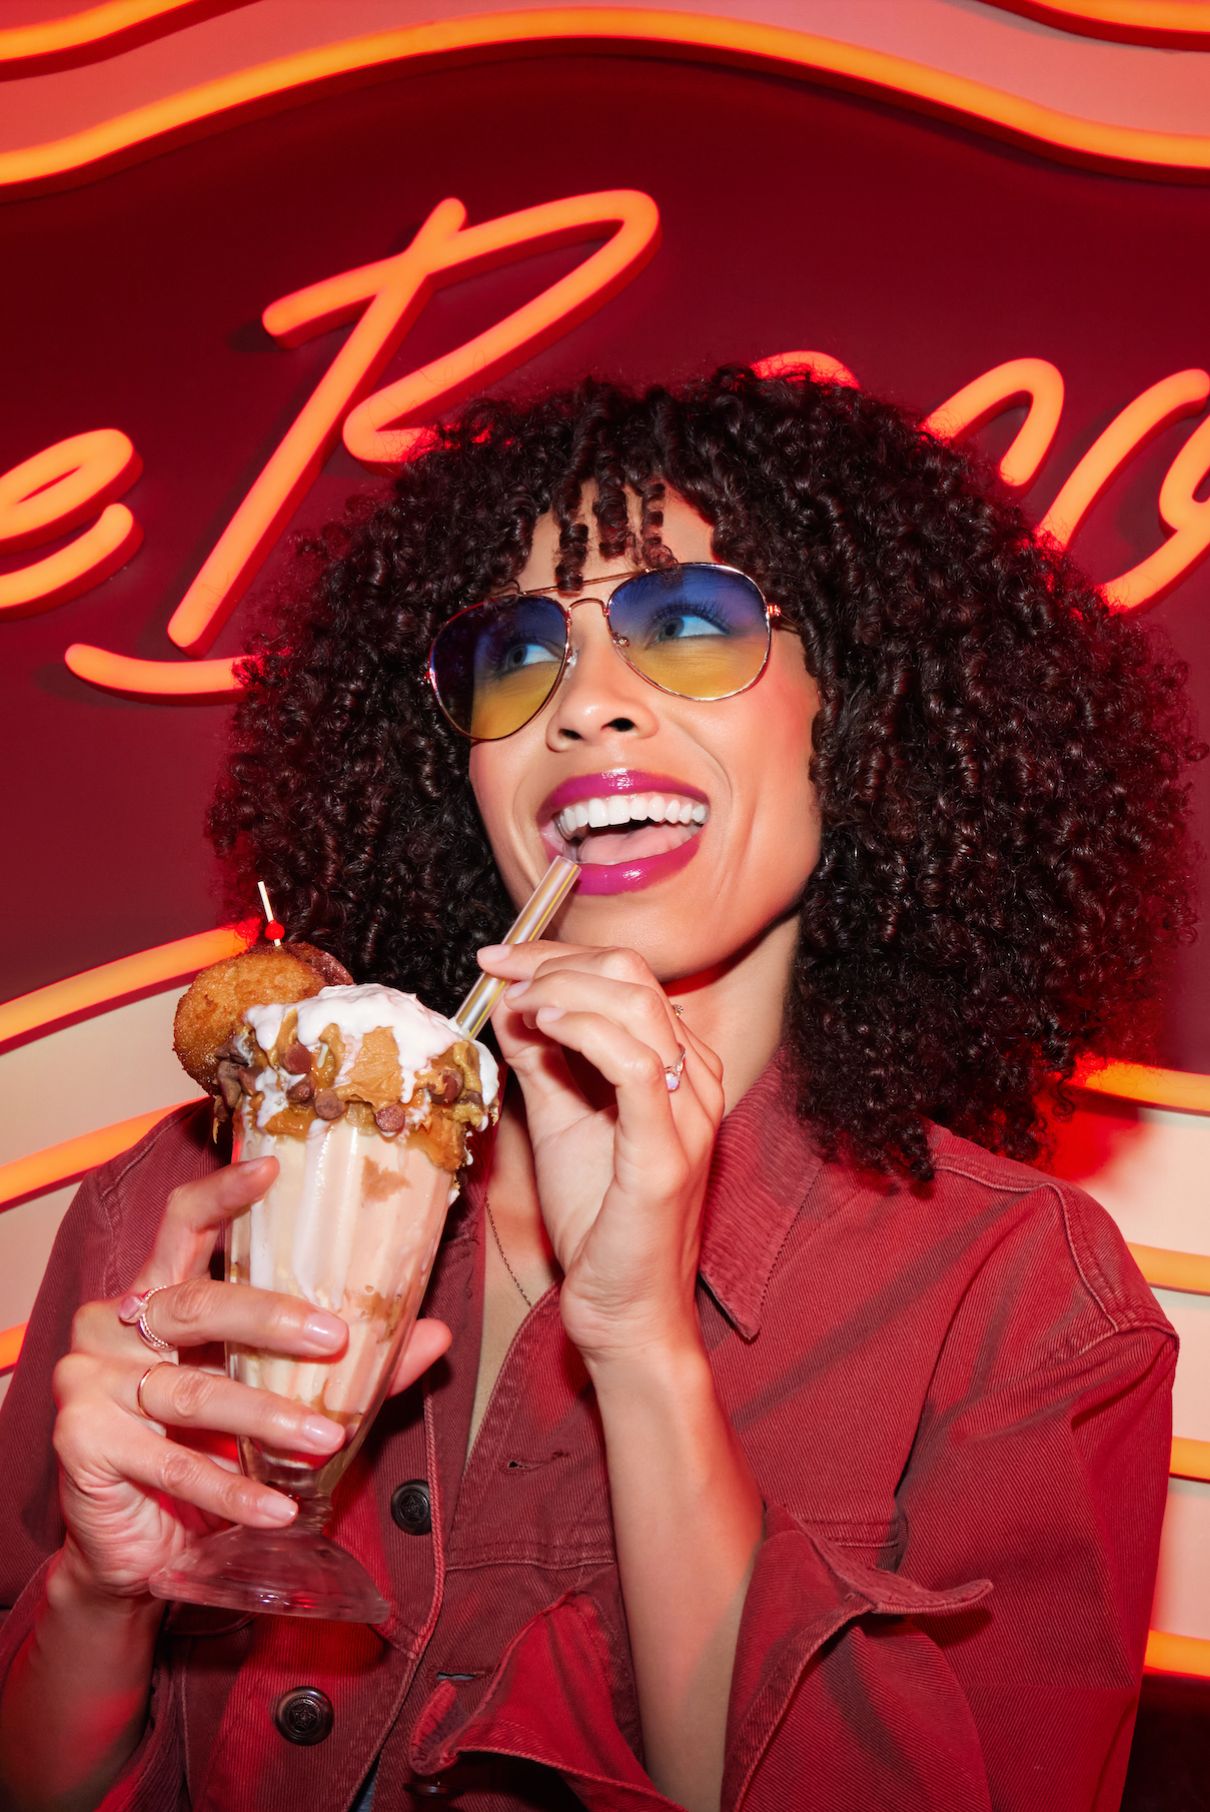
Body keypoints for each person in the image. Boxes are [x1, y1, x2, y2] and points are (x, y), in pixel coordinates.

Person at [0, 367, 1202, 1812]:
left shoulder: (1019, 1304)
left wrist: (638, 1347)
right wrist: (98, 1597)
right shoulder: (190, 1209)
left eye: (686, 628)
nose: (582, 709)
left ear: (861, 708)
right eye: (520, 655)